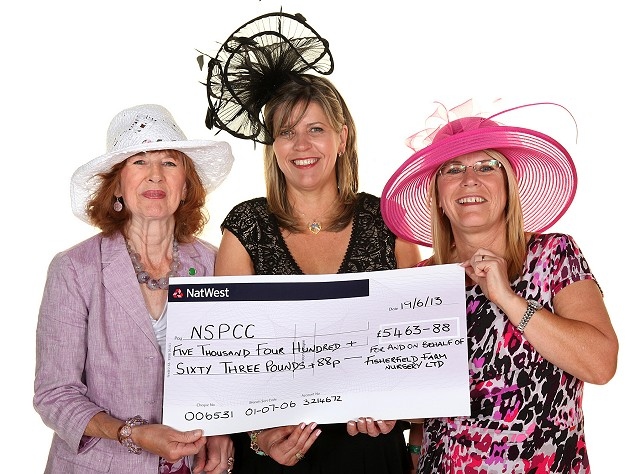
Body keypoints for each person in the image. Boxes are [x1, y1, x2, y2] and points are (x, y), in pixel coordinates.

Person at [196, 11, 422, 474]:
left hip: (371, 454)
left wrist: (398, 410)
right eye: (286, 132)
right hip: (279, 458)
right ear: (272, 147)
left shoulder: (389, 221)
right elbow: (224, 359)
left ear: (341, 138)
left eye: (315, 129)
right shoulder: (246, 225)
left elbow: (416, 350)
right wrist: (259, 438)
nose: (302, 144)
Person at [380, 100, 619, 473]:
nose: (469, 179)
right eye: (453, 169)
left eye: (486, 166)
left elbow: (601, 365)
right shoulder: (423, 281)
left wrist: (507, 298)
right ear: (439, 198)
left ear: (507, 186)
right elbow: (417, 409)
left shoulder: (552, 254)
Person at [33, 104, 236, 474]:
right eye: (139, 162)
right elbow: (54, 394)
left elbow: (234, 371)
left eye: (170, 163)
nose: (155, 176)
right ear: (118, 185)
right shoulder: (75, 269)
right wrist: (133, 434)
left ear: (186, 185)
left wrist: (223, 432)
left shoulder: (216, 264)